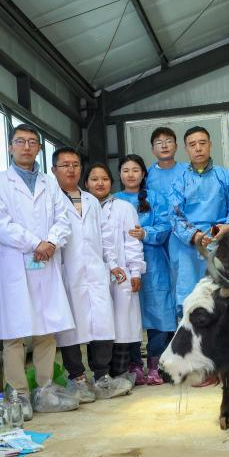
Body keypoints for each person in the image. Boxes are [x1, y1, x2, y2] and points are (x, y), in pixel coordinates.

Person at [0, 124, 79, 416]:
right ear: (10, 147)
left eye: (32, 142)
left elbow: (63, 219)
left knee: (46, 330)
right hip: (16, 264)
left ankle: (45, 390)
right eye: (20, 141)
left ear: (39, 148)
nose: (26, 147)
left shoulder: (49, 183)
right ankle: (18, 394)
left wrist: (51, 242)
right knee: (14, 334)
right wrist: (35, 243)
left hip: (45, 262)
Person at [50, 149, 129, 402]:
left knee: (102, 323)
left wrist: (113, 264)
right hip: (67, 272)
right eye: (65, 165)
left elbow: (105, 236)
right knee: (70, 328)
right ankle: (77, 379)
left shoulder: (91, 201)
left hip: (95, 271)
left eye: (75, 164)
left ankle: (102, 377)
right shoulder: (51, 199)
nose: (71, 169)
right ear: (54, 170)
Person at [168, 126, 229, 310]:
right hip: (188, 247)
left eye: (202, 143)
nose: (198, 148)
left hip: (220, 242)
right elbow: (174, 215)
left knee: (221, 295)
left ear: (210, 145)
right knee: (189, 298)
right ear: (186, 149)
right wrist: (194, 235)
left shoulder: (224, 176)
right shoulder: (179, 180)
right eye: (192, 144)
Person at [116, 154, 175, 386]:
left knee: (159, 311)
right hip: (125, 263)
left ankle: (155, 364)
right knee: (128, 312)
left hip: (154, 262)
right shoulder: (114, 201)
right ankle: (134, 365)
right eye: (125, 170)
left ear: (143, 174)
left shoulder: (156, 198)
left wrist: (146, 233)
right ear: (120, 174)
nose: (130, 175)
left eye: (135, 170)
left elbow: (166, 225)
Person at [86, 163, 146, 389]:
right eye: (94, 179)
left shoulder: (124, 208)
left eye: (104, 179)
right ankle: (100, 375)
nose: (100, 183)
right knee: (95, 325)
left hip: (121, 274)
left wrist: (136, 270)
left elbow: (132, 242)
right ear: (86, 183)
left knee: (122, 323)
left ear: (112, 182)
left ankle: (119, 372)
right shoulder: (81, 207)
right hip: (91, 275)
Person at [146, 126, 188, 196]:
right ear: (153, 150)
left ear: (176, 147)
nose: (164, 146)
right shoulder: (146, 175)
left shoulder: (188, 170)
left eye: (169, 141)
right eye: (159, 143)